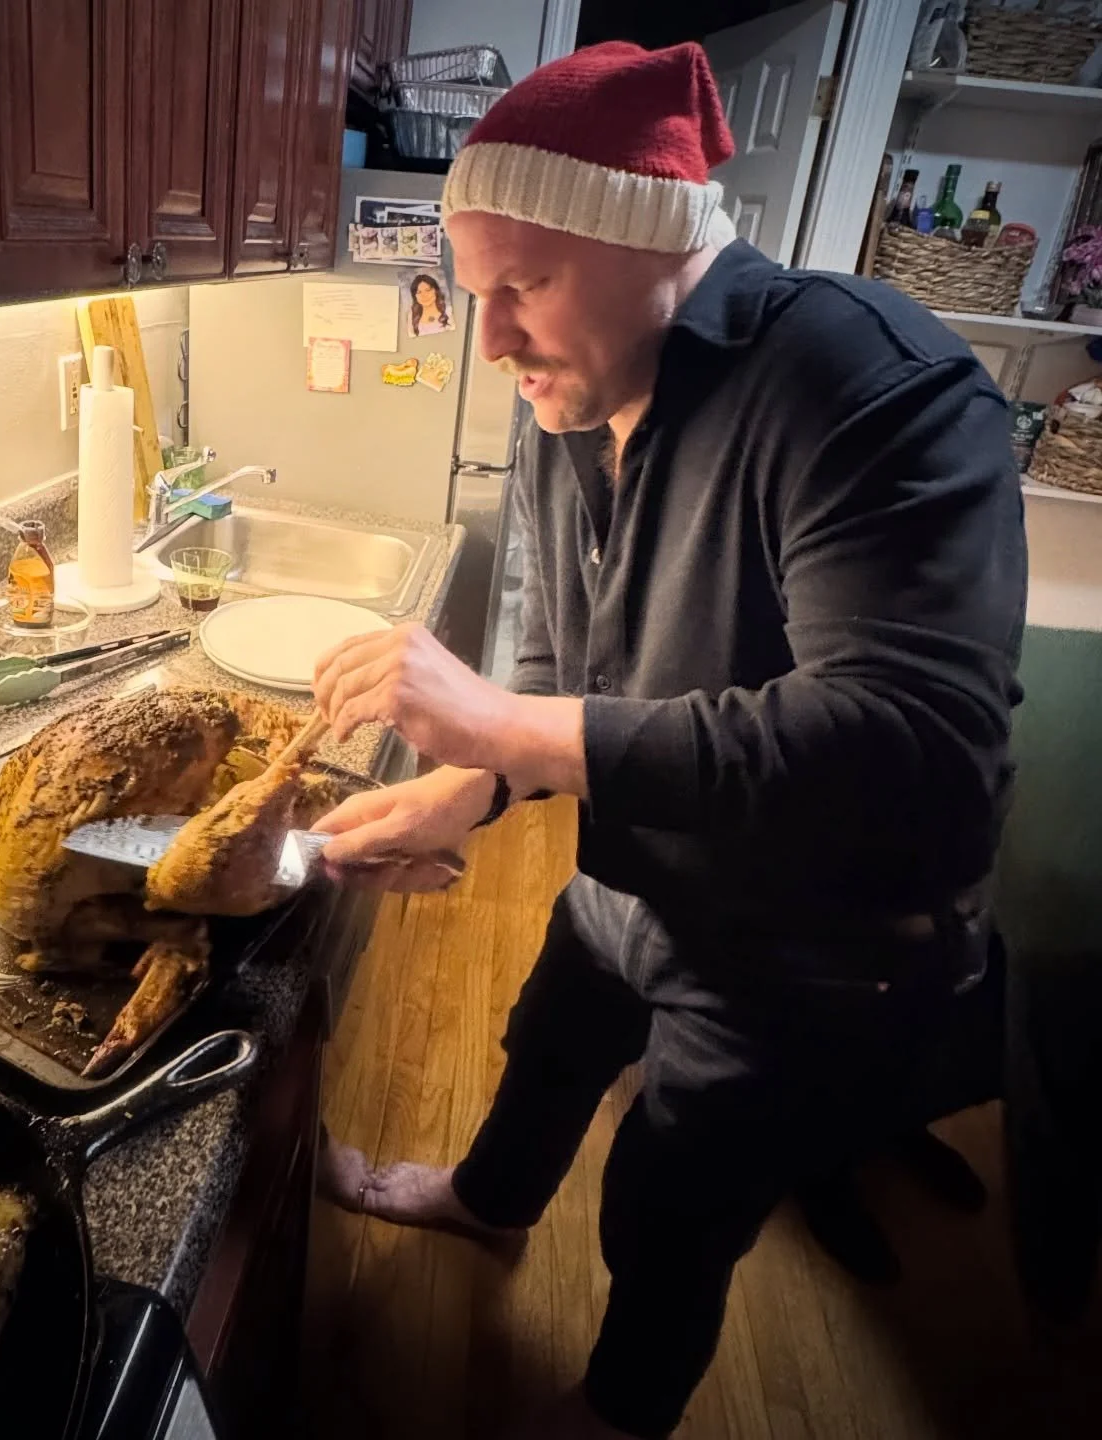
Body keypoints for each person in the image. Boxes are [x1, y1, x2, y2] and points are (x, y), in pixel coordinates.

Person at [309, 40, 1027, 1440]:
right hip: (645, 879)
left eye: (524, 287)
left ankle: (623, 1411)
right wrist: (474, 781)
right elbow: (572, 670)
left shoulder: (876, 386)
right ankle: (488, 1200)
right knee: (554, 1036)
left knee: (674, 1200)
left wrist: (510, 727)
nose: (493, 338)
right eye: (479, 293)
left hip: (815, 944)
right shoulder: (573, 387)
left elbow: (919, 749)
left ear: (655, 247)